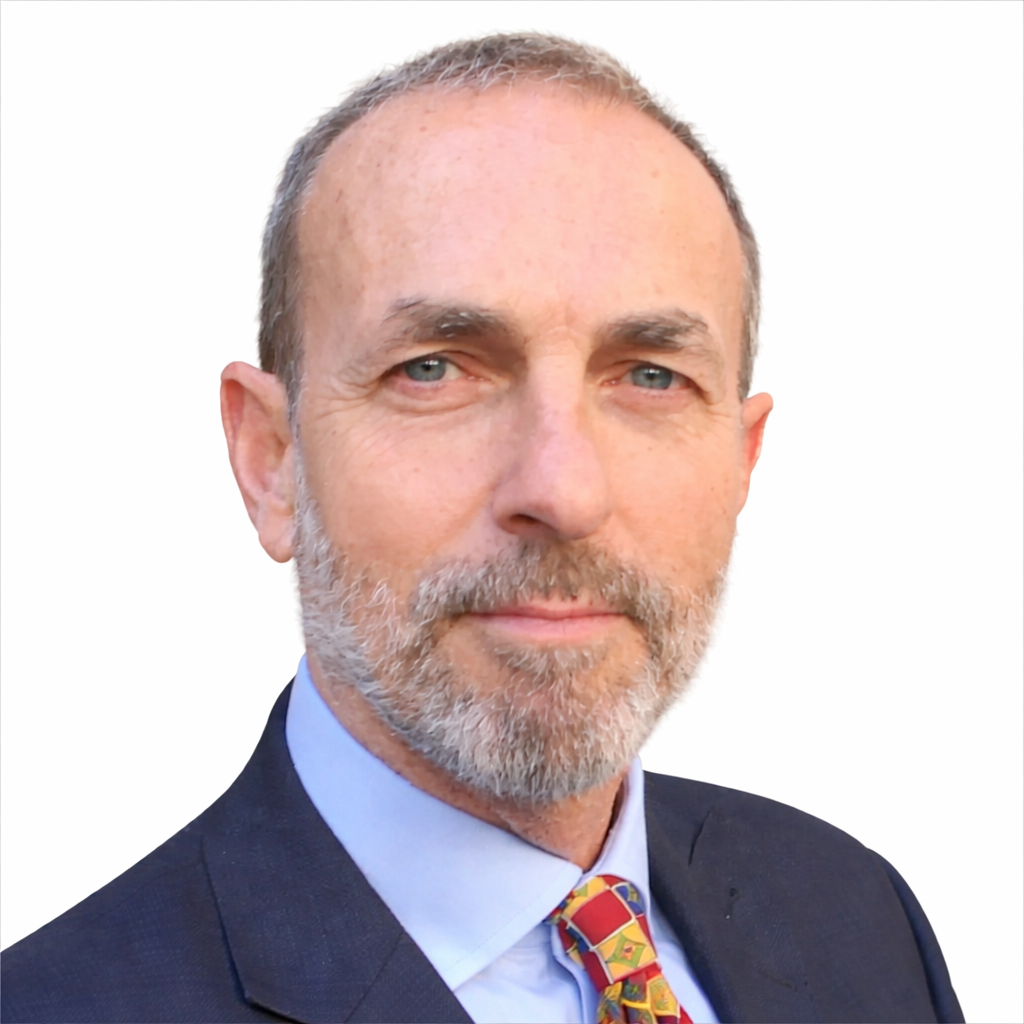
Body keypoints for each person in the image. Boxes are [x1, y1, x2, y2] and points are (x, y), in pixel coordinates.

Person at [0, 33, 963, 1024]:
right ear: (270, 461)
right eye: (435, 367)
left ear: (741, 458)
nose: (561, 489)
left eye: (649, 376)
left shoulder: (853, 916)